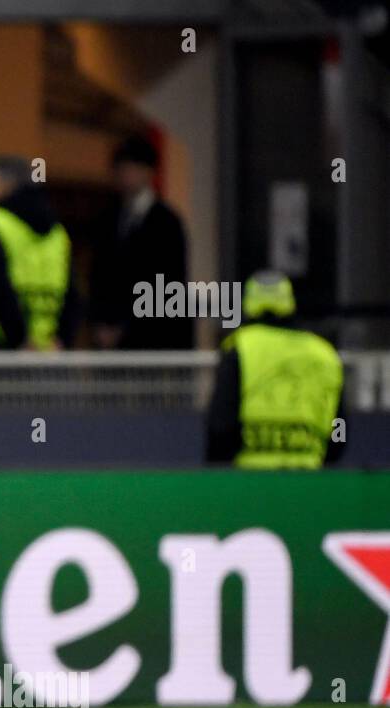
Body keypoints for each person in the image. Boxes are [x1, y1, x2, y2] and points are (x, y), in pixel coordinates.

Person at [206, 271, 345, 469]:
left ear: (248, 302)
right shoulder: (325, 354)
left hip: (250, 483)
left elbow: (220, 425)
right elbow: (340, 428)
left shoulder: (240, 347)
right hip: (310, 481)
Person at [0, 154, 75, 351]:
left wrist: (20, 340)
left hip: (1, 344)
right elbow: (72, 291)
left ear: (8, 186)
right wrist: (63, 338)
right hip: (49, 347)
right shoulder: (57, 231)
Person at [90, 134, 189, 349]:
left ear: (148, 172)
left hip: (152, 334)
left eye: (132, 168)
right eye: (122, 169)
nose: (126, 176)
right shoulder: (107, 218)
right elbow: (98, 275)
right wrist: (100, 323)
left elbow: (169, 282)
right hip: (110, 336)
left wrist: (129, 326)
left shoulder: (166, 223)